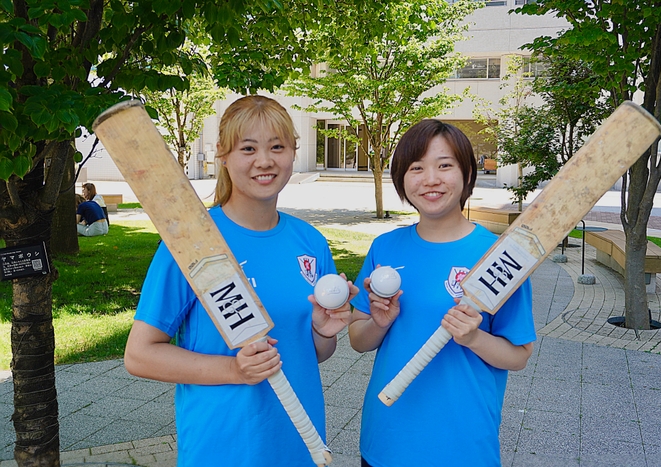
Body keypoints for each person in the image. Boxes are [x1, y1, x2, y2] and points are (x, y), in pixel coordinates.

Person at [123, 95, 357, 467]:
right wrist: (234, 369)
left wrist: (324, 332)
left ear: (293, 152)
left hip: (299, 440)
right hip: (223, 444)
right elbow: (139, 355)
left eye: (277, 147)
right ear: (223, 154)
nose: (264, 161)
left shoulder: (310, 242)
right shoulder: (192, 241)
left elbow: (315, 354)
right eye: (248, 148)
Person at [349, 119, 536, 467]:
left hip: (462, 444)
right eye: (416, 168)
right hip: (387, 437)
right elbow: (358, 340)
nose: (430, 179)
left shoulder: (500, 257)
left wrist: (474, 338)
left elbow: (519, 356)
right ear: (402, 179)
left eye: (444, 165)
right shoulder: (385, 247)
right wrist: (379, 322)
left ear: (467, 173)